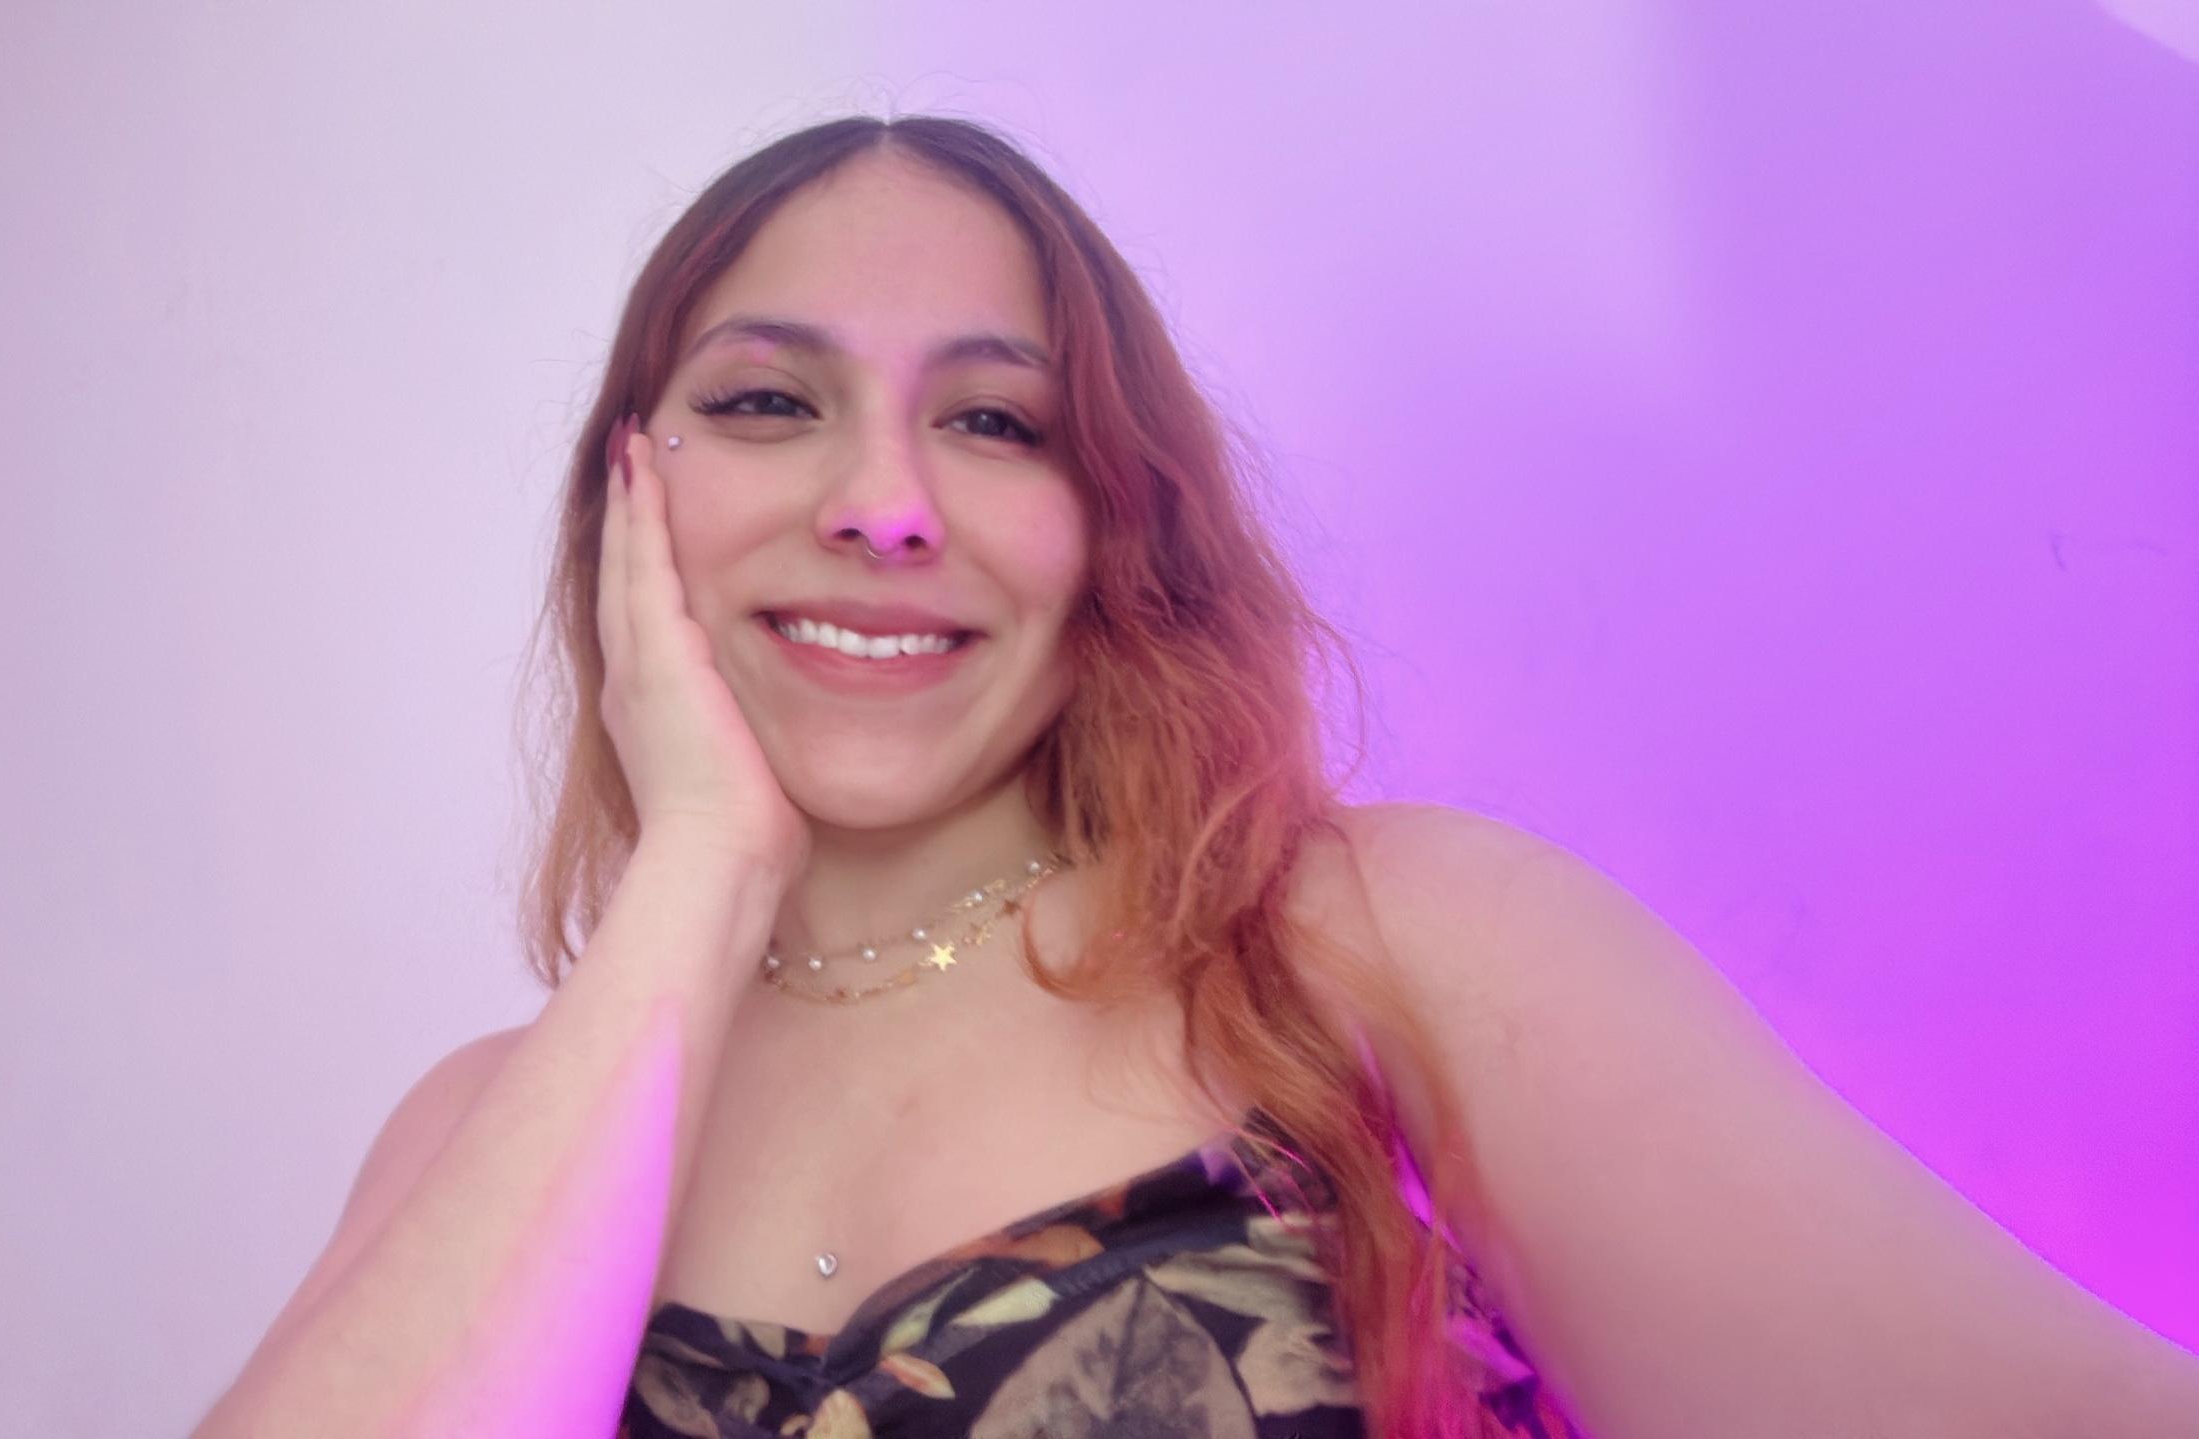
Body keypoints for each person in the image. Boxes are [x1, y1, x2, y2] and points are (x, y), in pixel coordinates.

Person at [191, 115, 2199, 1438]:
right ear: (630, 494)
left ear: (1111, 523)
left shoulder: (1367, 945)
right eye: (771, 401)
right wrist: (699, 871)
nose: (882, 501)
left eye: (995, 422)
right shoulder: (479, 1125)